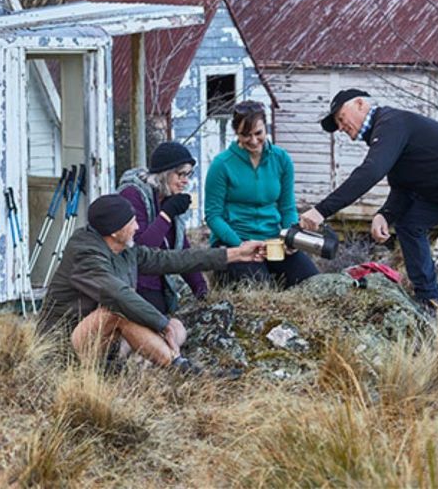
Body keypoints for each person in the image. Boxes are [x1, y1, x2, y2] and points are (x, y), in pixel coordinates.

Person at [299, 89, 438, 327]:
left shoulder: (391, 123)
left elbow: (371, 171)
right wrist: (385, 214)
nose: (341, 126)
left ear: (359, 104)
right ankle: (429, 301)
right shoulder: (384, 136)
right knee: (409, 224)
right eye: (337, 124)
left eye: (341, 118)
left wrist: (321, 210)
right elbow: (403, 188)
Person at [38, 194, 265, 371]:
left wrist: (237, 254)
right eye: (132, 222)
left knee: (176, 325)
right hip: (64, 348)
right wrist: (159, 324)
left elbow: (174, 259)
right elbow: (117, 294)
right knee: (117, 312)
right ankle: (180, 368)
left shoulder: (125, 250)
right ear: (116, 231)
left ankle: (151, 361)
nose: (138, 227)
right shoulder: (85, 254)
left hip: (105, 343)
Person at [204, 100, 319, 288]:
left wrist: (290, 238)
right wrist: (240, 245)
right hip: (236, 241)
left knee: (311, 283)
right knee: (261, 288)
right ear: (236, 133)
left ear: (266, 128)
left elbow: (287, 207)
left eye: (258, 133)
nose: (253, 140)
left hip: (274, 241)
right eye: (245, 135)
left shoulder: (282, 159)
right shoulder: (221, 165)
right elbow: (213, 216)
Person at [118, 141, 206, 315]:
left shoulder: (167, 196)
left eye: (188, 174)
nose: (186, 181)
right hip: (132, 283)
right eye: (181, 174)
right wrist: (166, 215)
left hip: (159, 284)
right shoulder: (132, 194)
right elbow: (140, 251)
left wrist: (201, 290)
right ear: (164, 174)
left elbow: (181, 248)